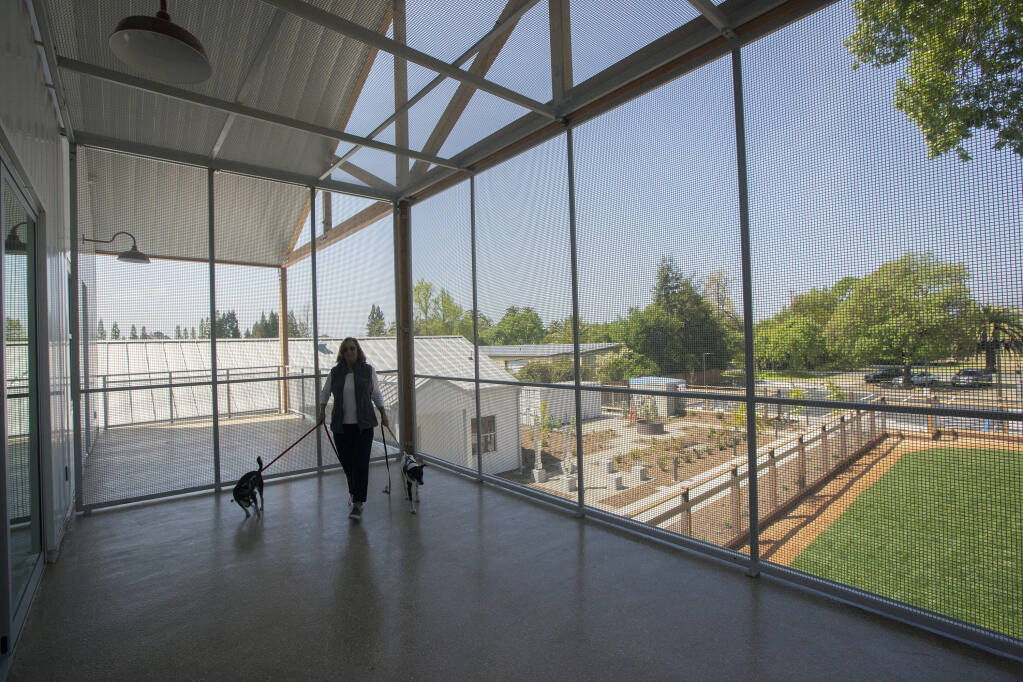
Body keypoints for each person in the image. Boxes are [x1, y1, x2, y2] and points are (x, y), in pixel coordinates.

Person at [317, 337, 389, 521]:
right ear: (342, 353)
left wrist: (383, 414)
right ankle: (354, 492)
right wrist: (322, 411)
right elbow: (325, 392)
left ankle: (358, 503)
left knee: (361, 463)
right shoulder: (335, 372)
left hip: (363, 426)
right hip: (341, 427)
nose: (349, 351)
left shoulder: (368, 370)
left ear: (358, 351)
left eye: (352, 348)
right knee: (348, 463)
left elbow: (376, 393)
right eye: (346, 349)